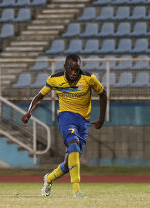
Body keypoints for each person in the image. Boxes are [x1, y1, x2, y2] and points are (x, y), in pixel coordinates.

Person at [22, 54, 107, 198]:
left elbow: (103, 94)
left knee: (69, 163)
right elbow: (39, 96)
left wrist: (101, 119)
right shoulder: (55, 79)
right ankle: (76, 191)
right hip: (66, 118)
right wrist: (29, 112)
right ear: (65, 68)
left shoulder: (89, 78)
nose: (74, 73)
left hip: (83, 122)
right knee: (73, 145)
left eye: (77, 70)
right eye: (71, 69)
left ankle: (48, 179)